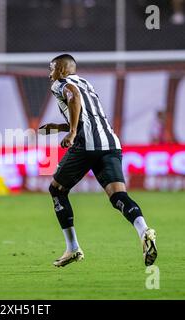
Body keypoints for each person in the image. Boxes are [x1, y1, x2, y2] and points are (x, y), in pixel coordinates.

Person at [39, 54, 157, 267]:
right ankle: (144, 230)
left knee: (57, 190)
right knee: (118, 195)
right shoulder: (86, 83)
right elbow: (89, 116)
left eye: (52, 69)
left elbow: (73, 97)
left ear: (63, 71)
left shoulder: (61, 84)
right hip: (110, 143)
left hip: (86, 145)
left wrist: (72, 132)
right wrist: (59, 128)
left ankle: (73, 247)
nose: (50, 75)